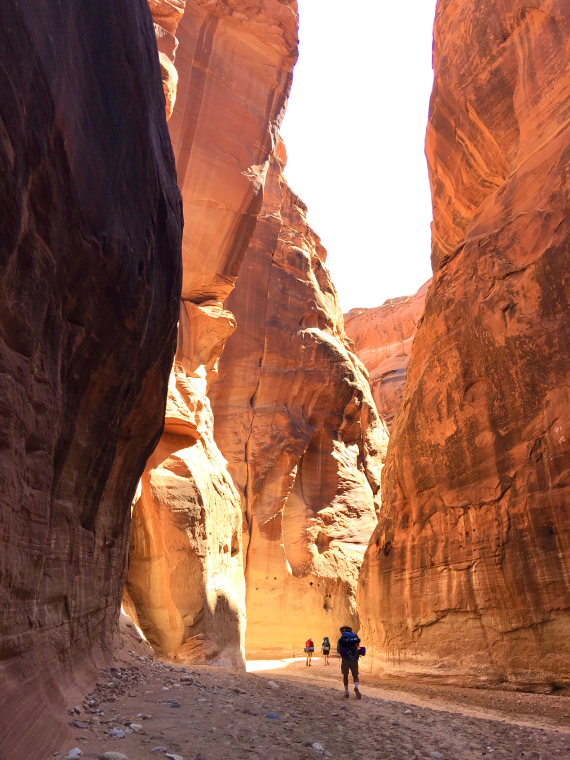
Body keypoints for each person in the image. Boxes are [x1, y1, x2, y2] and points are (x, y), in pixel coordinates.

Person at [337, 625, 364, 698]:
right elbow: (358, 648)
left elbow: (339, 650)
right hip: (354, 659)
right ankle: (356, 687)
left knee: (345, 676)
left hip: (345, 659)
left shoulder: (342, 639)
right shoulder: (354, 638)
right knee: (355, 675)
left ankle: (346, 692)